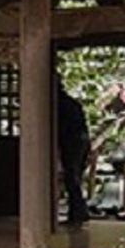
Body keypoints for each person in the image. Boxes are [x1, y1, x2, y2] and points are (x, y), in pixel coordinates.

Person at [55, 78, 91, 226]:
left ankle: (78, 212)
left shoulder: (60, 104)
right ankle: (78, 212)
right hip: (79, 141)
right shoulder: (71, 103)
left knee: (72, 177)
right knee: (74, 178)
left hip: (72, 142)